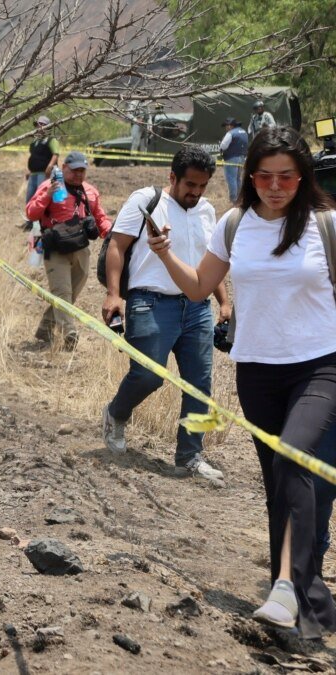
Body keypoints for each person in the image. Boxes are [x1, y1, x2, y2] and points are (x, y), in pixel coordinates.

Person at [146, 126, 336, 637]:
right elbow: (200, 289)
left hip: (322, 367)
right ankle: (301, 599)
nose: (276, 187)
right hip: (257, 371)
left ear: (303, 176)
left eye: (287, 177)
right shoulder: (234, 225)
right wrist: (164, 254)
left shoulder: (327, 225)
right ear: (251, 177)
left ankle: (288, 588)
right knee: (284, 482)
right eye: (265, 176)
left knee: (296, 458)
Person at [100, 146, 230, 483]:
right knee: (148, 376)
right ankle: (116, 413)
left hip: (198, 307)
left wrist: (224, 302)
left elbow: (210, 262)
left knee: (200, 384)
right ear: (172, 177)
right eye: (190, 185)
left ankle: (191, 455)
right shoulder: (147, 200)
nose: (196, 192)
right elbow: (117, 246)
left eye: (203, 186)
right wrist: (114, 294)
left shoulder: (208, 211)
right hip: (150, 303)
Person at [26, 150, 112, 348]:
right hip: (55, 248)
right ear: (64, 168)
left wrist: (111, 235)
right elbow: (31, 213)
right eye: (74, 170)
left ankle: (45, 328)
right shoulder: (49, 186)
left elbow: (100, 218)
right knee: (62, 291)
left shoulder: (90, 191)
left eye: (82, 170)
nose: (78, 174)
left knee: (71, 294)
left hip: (81, 246)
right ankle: (69, 332)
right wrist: (47, 196)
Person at [25, 116, 60, 213]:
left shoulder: (51, 140)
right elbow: (34, 157)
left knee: (41, 197)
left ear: (47, 127)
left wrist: (49, 167)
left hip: (44, 174)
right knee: (30, 197)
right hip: (34, 174)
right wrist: (30, 171)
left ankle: (40, 222)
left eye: (42, 124)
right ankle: (30, 221)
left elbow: (56, 154)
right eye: (38, 124)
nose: (39, 127)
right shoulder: (35, 141)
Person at [219, 118, 249, 204]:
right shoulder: (244, 132)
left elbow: (223, 146)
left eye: (226, 126)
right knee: (237, 179)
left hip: (231, 158)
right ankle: (240, 198)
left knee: (231, 179)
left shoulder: (230, 133)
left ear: (230, 125)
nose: (225, 128)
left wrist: (220, 147)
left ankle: (233, 200)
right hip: (242, 158)